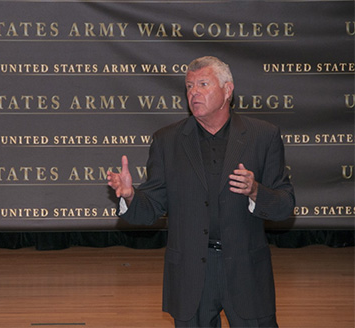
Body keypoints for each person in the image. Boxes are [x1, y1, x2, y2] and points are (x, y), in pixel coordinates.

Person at [107, 56, 295, 328]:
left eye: (203, 84)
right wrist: (130, 196)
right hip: (190, 272)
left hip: (246, 272)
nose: (193, 92)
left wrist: (255, 191)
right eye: (189, 86)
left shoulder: (263, 136)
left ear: (227, 90)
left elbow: (285, 205)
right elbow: (152, 208)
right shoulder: (167, 141)